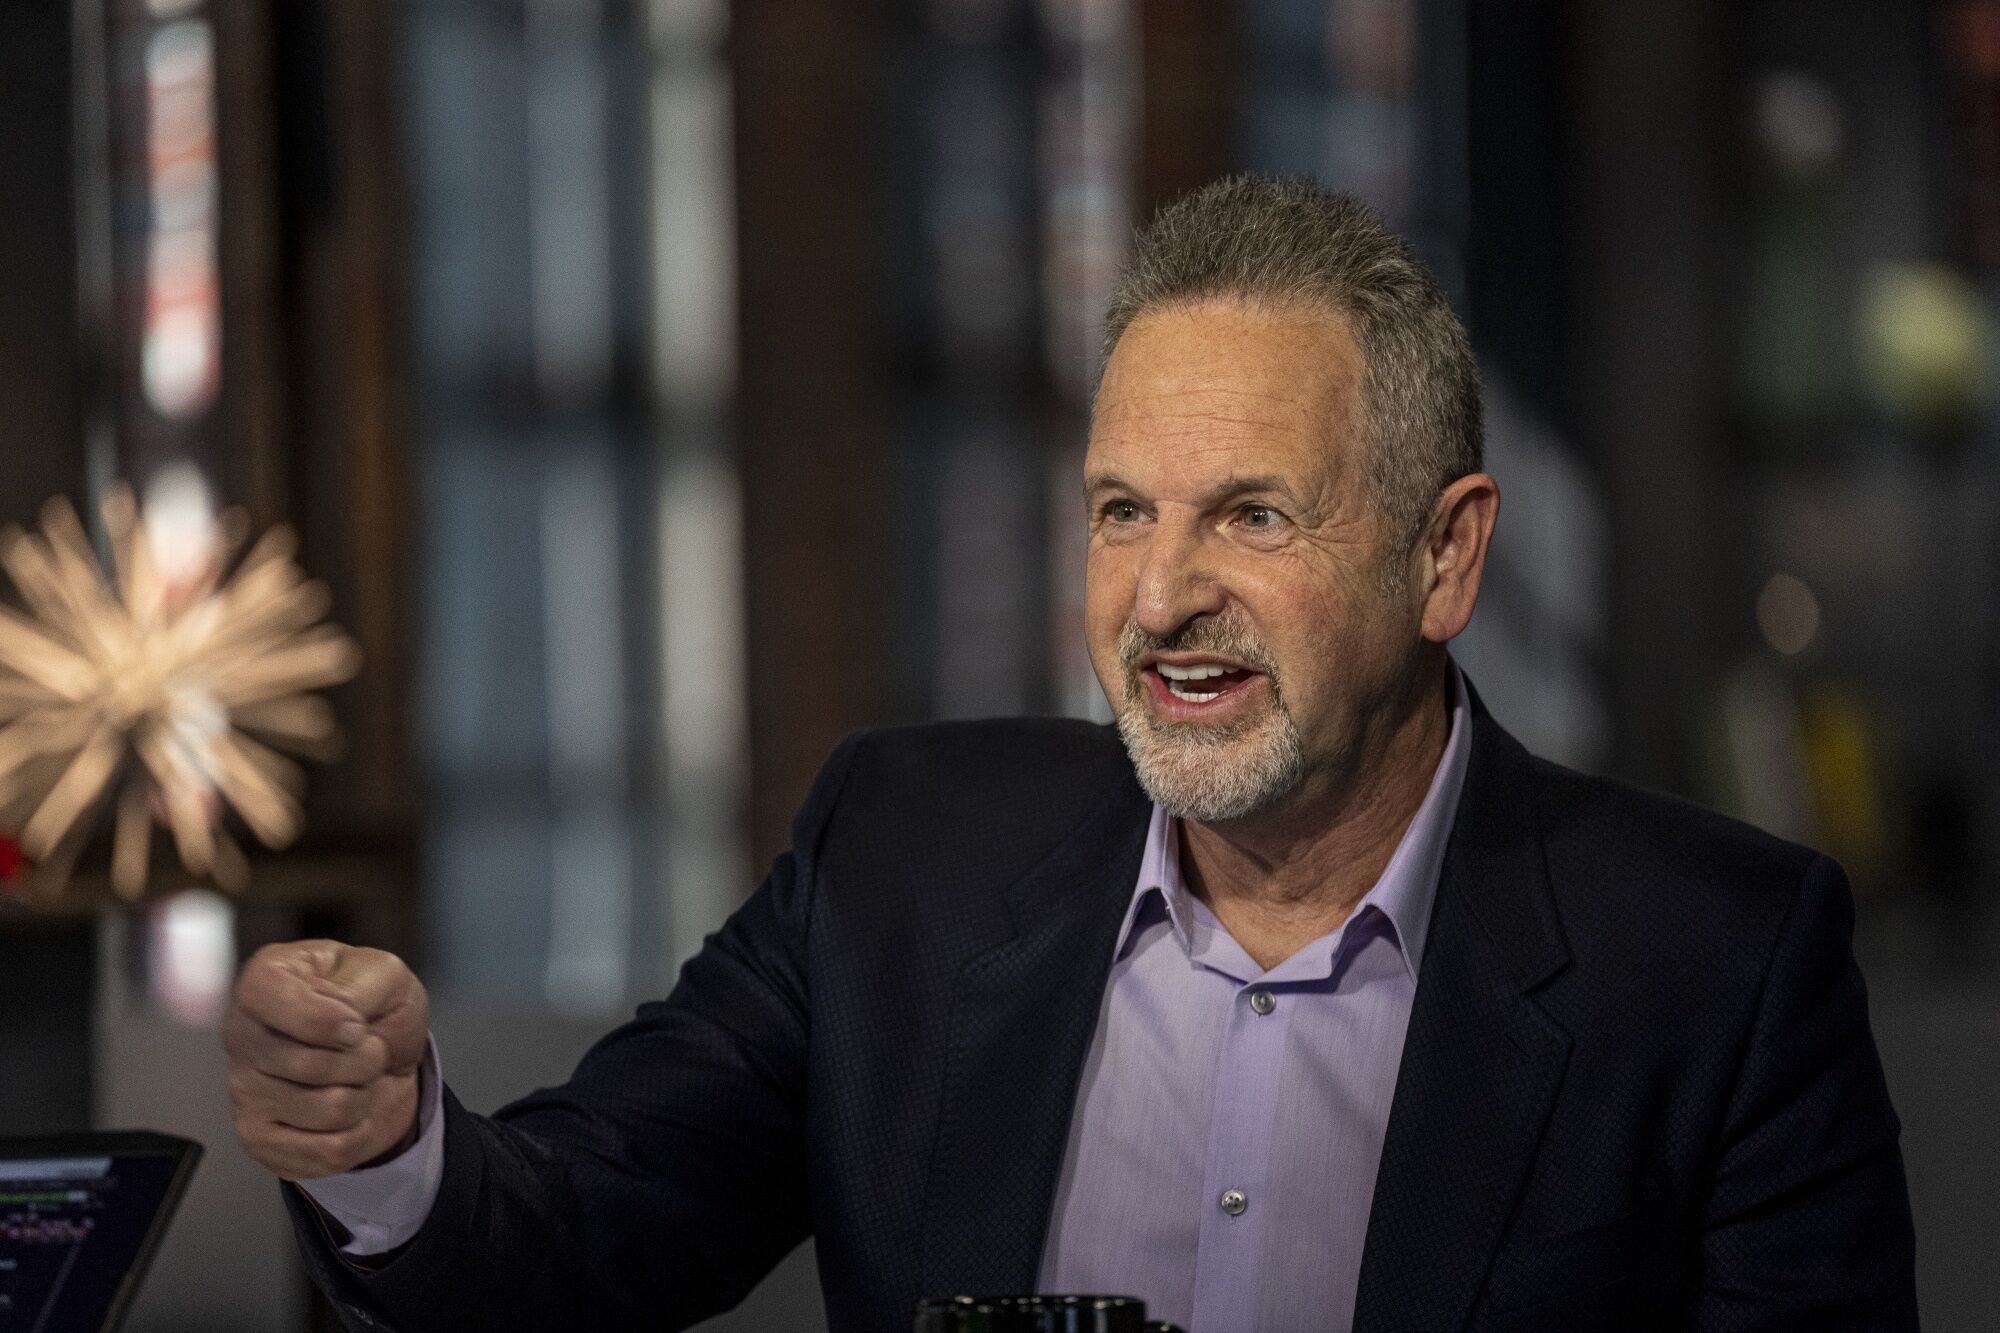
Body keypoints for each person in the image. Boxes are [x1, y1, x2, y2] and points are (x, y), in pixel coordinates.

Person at [224, 177, 1918, 1333]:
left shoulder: (1716, 967)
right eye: (1122, 512)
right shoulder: (901, 857)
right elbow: (576, 1229)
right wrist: (387, 1139)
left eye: (1252, 514)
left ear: (1444, 556)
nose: (1162, 598)